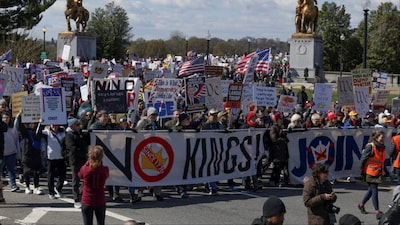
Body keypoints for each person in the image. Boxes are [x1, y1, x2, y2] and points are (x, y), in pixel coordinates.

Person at [358, 130, 386, 220]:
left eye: (384, 137)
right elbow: (363, 159)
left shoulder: (381, 148)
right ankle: (377, 211)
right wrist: (361, 172)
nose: (383, 139)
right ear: (377, 138)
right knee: (374, 190)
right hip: (369, 172)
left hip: (377, 172)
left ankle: (361, 204)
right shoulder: (370, 147)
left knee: (371, 190)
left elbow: (380, 161)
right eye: (381, 137)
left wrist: (386, 172)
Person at [78, 145, 109, 225]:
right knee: (101, 222)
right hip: (100, 199)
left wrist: (87, 163)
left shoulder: (85, 169)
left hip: (87, 199)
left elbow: (80, 175)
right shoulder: (104, 169)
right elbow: (106, 175)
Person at [16, 112, 42, 195]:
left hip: (36, 154)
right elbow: (19, 127)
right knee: (26, 171)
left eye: (34, 123)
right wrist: (19, 116)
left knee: (36, 172)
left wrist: (41, 122)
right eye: (31, 123)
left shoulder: (36, 132)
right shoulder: (25, 133)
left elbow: (40, 128)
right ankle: (27, 187)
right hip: (26, 154)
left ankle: (36, 187)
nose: (33, 124)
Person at [39, 123, 67, 199]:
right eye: (52, 125)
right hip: (50, 157)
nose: (54, 127)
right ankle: (51, 192)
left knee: (63, 175)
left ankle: (58, 188)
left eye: (56, 125)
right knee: (50, 176)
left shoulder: (63, 132)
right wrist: (41, 123)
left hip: (61, 157)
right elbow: (38, 132)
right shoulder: (47, 132)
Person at [66, 118, 88, 208]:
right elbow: (72, 148)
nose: (79, 126)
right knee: (76, 180)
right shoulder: (69, 135)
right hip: (75, 160)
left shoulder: (80, 133)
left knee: (86, 178)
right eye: (77, 125)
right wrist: (84, 154)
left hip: (83, 159)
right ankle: (76, 199)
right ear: (71, 126)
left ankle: (81, 193)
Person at [0, 112, 20, 192]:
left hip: (11, 152)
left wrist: (18, 152)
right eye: (4, 117)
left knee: (11, 169)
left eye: (7, 117)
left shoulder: (13, 128)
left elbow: (16, 140)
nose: (5, 119)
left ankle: (13, 185)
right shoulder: (1, 127)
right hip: (1, 153)